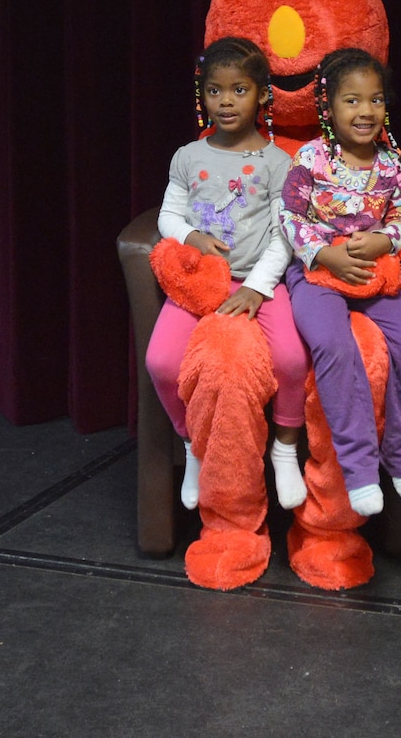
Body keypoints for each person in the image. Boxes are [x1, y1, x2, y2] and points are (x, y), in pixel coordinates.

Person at [144, 37, 307, 511]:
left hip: (261, 281)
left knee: (293, 361)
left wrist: (258, 287)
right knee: (162, 363)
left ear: (261, 95)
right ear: (204, 97)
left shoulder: (279, 164)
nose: (227, 101)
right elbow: (168, 215)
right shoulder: (188, 156)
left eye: (239, 89)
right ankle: (197, 445)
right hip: (202, 280)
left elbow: (286, 236)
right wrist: (191, 236)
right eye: (215, 91)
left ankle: (284, 448)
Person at [278, 48, 401, 517]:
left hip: (370, 274)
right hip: (318, 276)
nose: (365, 111)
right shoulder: (310, 158)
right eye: (351, 101)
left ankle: (400, 457)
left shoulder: (394, 165)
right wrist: (324, 254)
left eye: (375, 100)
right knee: (333, 344)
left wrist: (386, 241)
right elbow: (288, 214)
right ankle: (361, 469)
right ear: (329, 108)